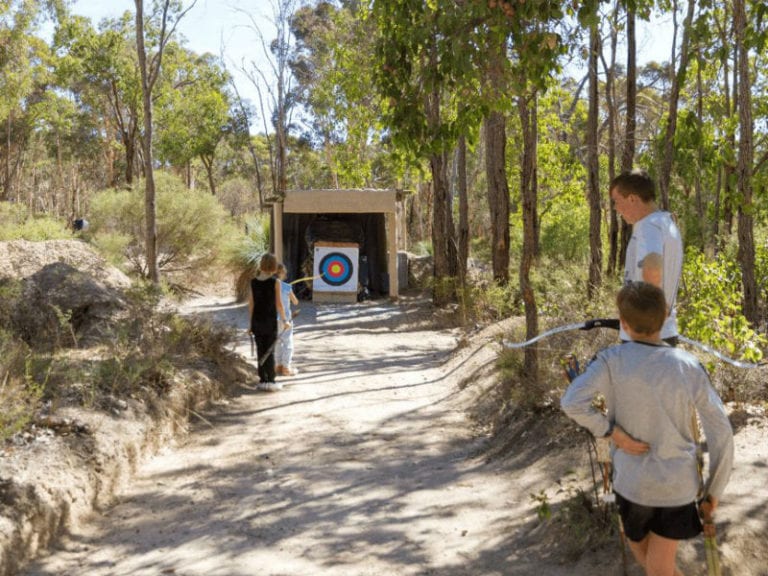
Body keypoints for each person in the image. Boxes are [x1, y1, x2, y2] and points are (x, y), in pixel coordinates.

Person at [561, 282, 734, 576]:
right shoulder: (687, 364)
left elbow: (571, 401)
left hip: (633, 484)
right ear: (666, 316)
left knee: (656, 566)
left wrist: (612, 433)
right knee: (656, 564)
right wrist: (714, 490)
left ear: (624, 323)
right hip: (673, 487)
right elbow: (721, 433)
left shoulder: (610, 360)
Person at [610, 169, 683, 345]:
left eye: (616, 201)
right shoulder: (665, 222)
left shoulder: (648, 226)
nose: (615, 208)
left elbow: (652, 269)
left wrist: (642, 323)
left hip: (644, 338)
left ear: (632, 199)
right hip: (662, 334)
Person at [248, 253, 290, 391]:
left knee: (261, 350)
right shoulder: (275, 282)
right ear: (273, 266)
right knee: (269, 350)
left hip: (257, 322)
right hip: (269, 322)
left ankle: (262, 380)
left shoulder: (253, 282)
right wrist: (285, 320)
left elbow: (251, 305)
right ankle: (271, 381)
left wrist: (250, 325)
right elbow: (279, 305)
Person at [275, 263, 299, 376]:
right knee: (288, 342)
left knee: (277, 342)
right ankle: (286, 368)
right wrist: (290, 291)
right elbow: (295, 302)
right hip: (285, 319)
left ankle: (278, 365)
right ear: (280, 273)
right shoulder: (286, 287)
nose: (286, 274)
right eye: (284, 272)